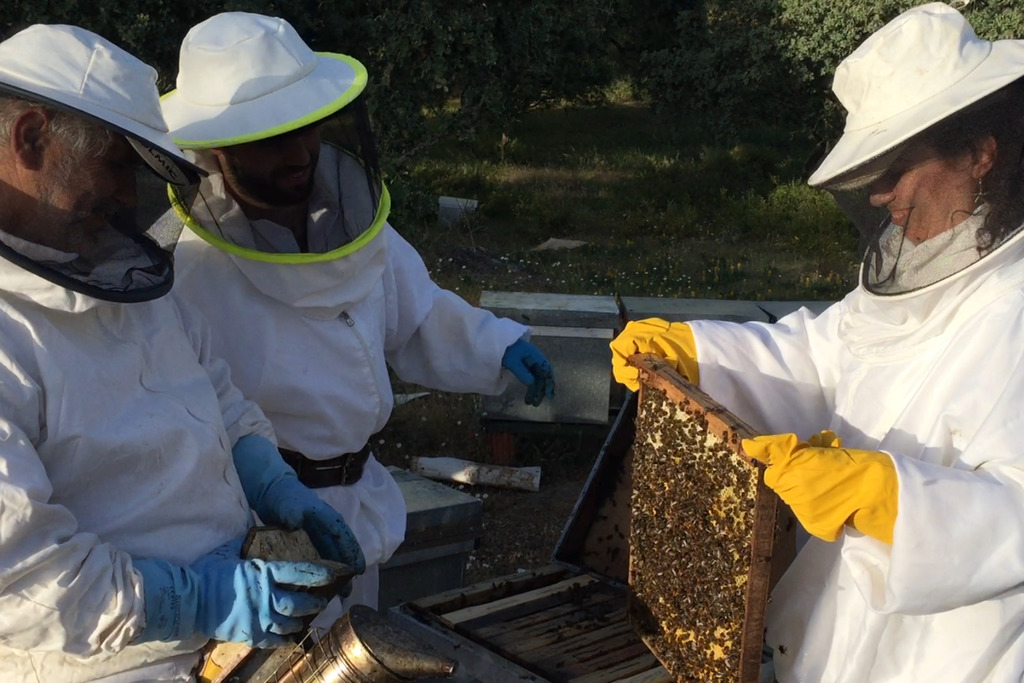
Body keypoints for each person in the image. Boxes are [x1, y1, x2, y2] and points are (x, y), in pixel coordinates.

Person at [611, 3, 1024, 681]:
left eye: (897, 166)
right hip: (834, 636)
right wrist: (697, 352)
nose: (882, 193)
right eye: (873, 172)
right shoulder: (921, 261)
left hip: (952, 657)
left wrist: (893, 497)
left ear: (980, 152)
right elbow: (820, 355)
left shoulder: (1014, 304)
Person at [158, 11, 555, 622]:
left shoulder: (351, 222)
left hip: (361, 497)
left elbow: (416, 312)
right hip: (259, 528)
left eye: (306, 127)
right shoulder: (184, 269)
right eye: (270, 137)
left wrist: (495, 346)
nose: (298, 153)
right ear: (215, 150)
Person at [0, 23, 366, 682]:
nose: (126, 197)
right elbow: (21, 579)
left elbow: (215, 393)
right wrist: (196, 599)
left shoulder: (113, 268)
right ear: (31, 138)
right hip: (106, 666)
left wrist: (271, 480)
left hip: (222, 650)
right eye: (115, 163)